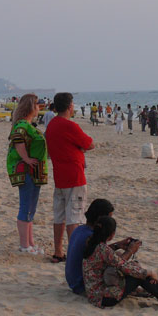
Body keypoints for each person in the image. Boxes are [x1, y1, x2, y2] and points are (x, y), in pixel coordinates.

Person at [82, 216, 158, 310]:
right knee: (139, 275)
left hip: (93, 294)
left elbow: (111, 258)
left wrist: (118, 246)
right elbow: (123, 266)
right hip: (103, 298)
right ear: (111, 235)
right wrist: (150, 272)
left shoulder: (91, 242)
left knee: (136, 271)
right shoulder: (102, 249)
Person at [45, 92, 94, 263]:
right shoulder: (69, 125)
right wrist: (80, 149)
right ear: (69, 106)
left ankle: (58, 251)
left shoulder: (51, 126)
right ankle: (74, 255)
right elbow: (89, 143)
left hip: (60, 176)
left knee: (60, 217)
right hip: (74, 177)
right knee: (75, 217)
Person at [6, 94, 48, 255]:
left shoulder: (28, 125)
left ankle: (30, 243)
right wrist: (27, 159)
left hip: (35, 172)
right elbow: (18, 141)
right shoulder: (22, 125)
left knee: (31, 209)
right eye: (37, 104)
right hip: (27, 172)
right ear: (30, 106)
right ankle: (24, 245)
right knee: (26, 208)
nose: (39, 107)